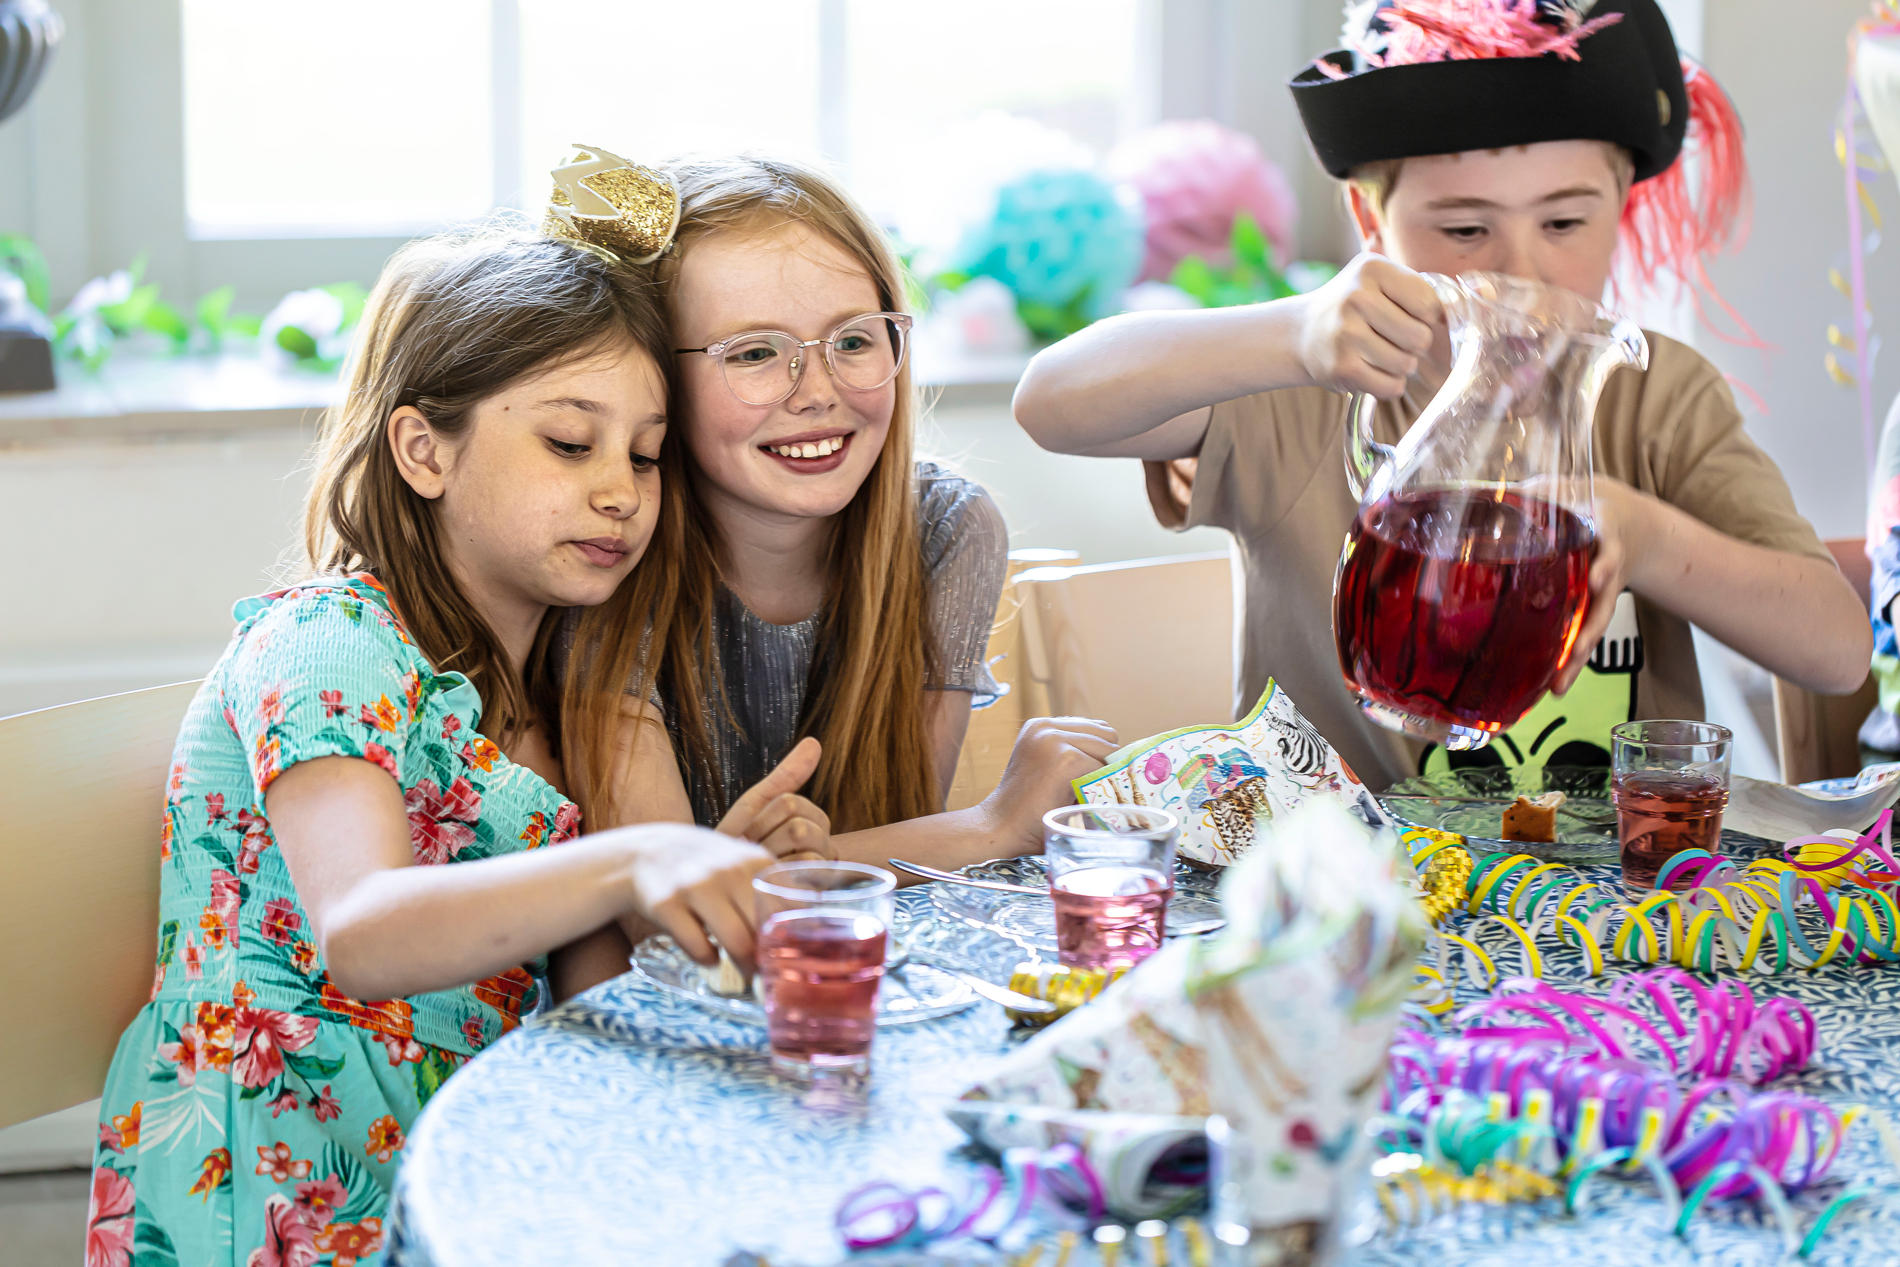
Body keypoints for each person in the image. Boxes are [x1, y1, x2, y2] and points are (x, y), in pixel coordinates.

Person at [86, 210, 826, 1266]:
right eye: (570, 443)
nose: (619, 488)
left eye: (647, 454)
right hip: (262, 1191)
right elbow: (369, 930)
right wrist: (632, 858)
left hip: (461, 1175)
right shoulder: (331, 640)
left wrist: (695, 890)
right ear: (423, 449)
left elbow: (577, 996)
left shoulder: (546, 702)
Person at [1012, 0, 1872, 789]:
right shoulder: (1297, 388)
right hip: (1349, 899)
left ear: (1622, 211)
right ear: (1369, 219)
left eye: (1564, 223)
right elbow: (1051, 402)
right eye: (1464, 229)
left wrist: (1646, 537)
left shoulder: (1661, 396)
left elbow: (1837, 653)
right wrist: (1289, 335)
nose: (1520, 269)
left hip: (1609, 918)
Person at [552, 154, 1117, 986]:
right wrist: (996, 823)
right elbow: (657, 919)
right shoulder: (610, 550)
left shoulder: (945, 531)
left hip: (825, 995)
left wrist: (763, 872)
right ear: (656, 377)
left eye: (854, 340)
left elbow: (890, 875)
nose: (816, 390)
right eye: (752, 354)